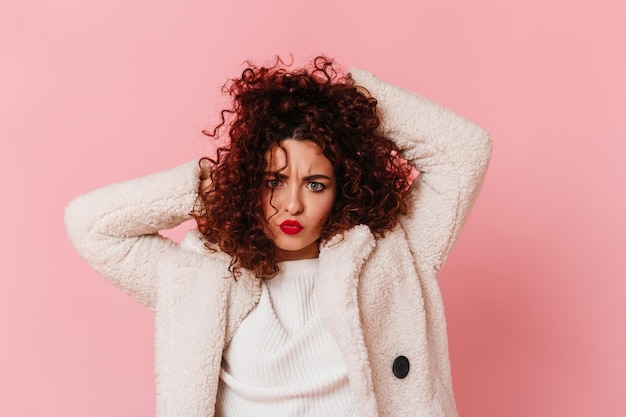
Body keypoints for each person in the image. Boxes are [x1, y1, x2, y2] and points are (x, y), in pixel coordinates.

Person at [65, 56, 491, 417]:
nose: (292, 205)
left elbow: (466, 153)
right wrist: (203, 190)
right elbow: (91, 225)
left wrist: (353, 101)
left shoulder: (388, 259)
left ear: (345, 189)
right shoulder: (208, 274)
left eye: (315, 184)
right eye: (274, 180)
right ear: (251, 180)